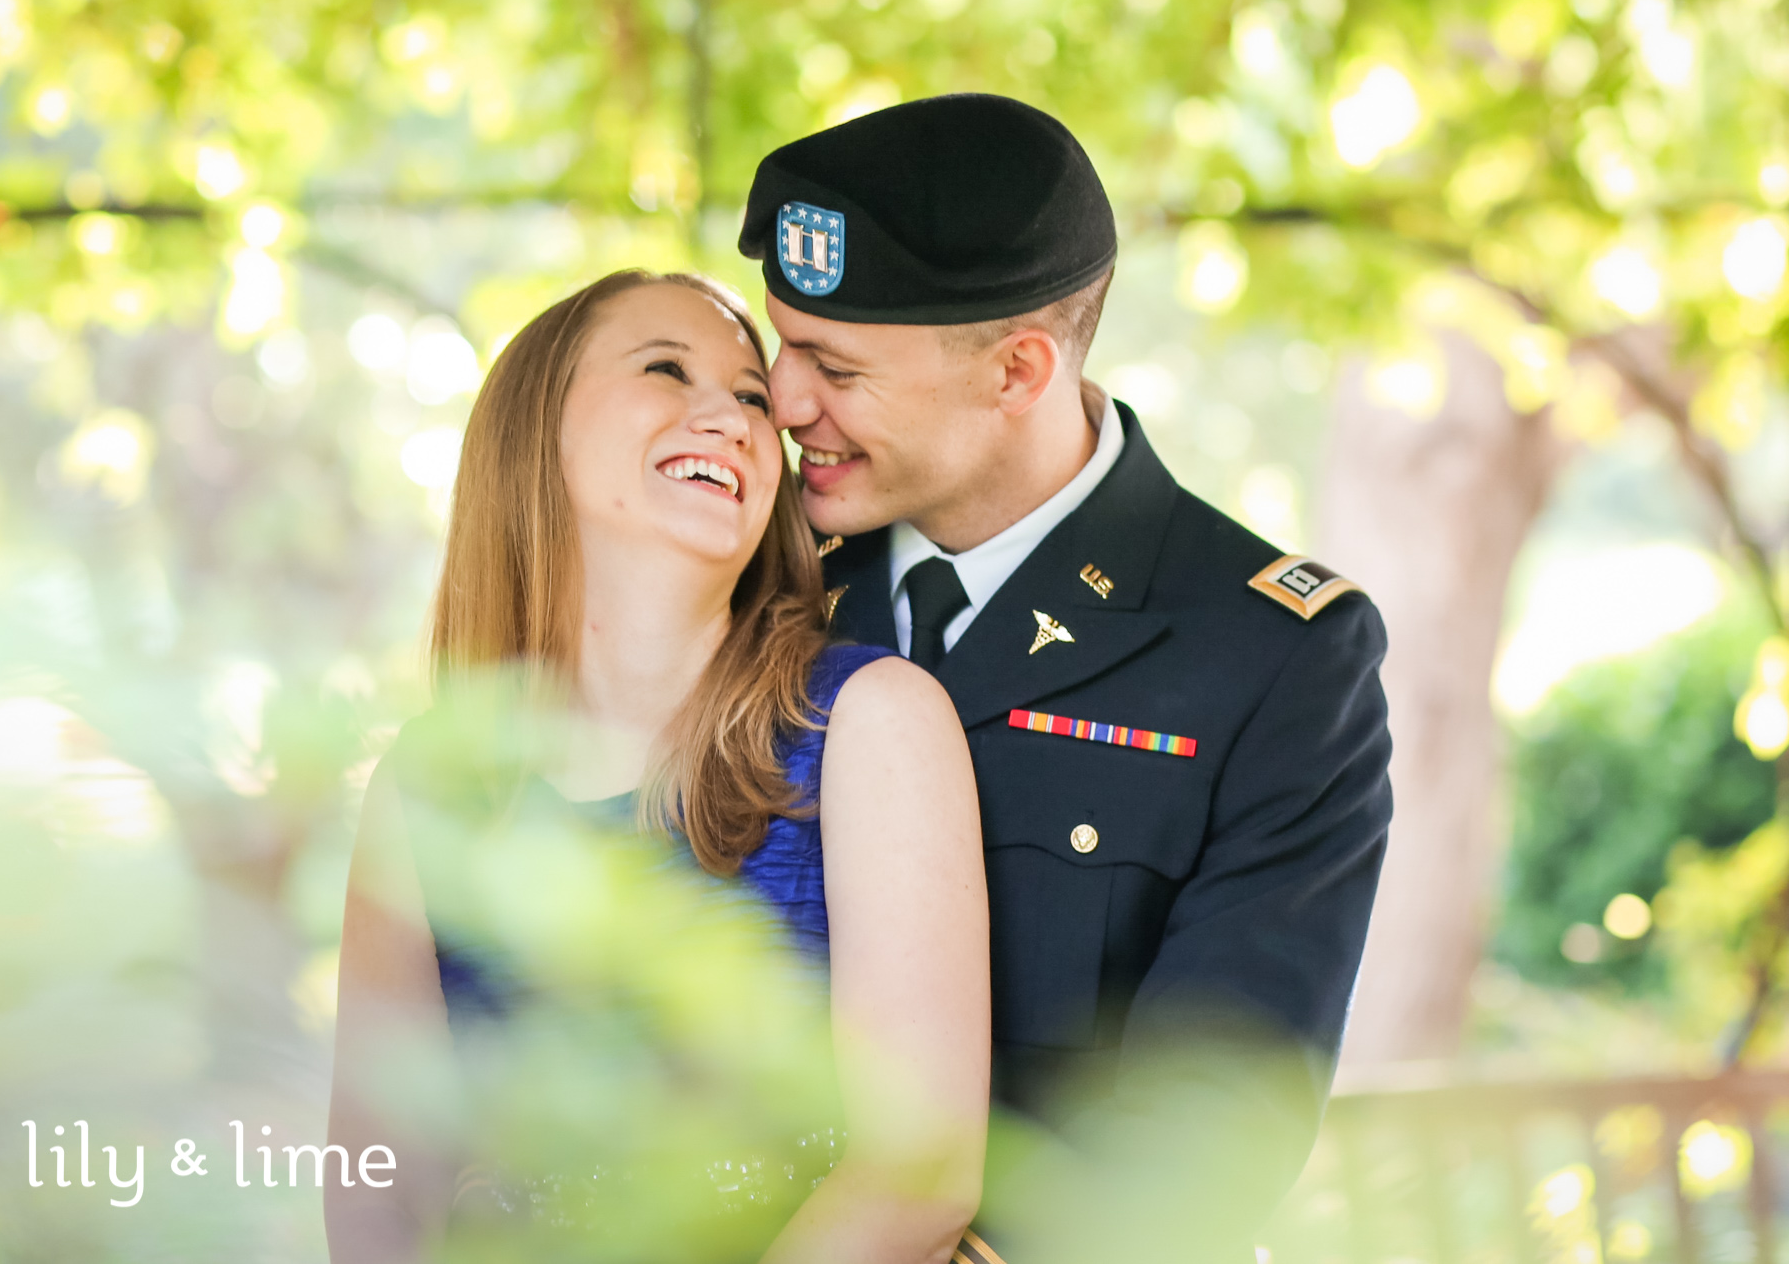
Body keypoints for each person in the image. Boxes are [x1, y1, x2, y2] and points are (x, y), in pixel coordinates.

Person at [739, 94, 1394, 1261]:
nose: (784, 402)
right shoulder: (760, 587)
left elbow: (1207, 1133)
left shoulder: (1272, 656)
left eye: (834, 364)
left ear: (1016, 369)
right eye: (782, 344)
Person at [324, 270, 992, 1264]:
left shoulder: (869, 721)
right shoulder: (428, 785)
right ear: (532, 429)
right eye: (666, 369)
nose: (728, 416)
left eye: (751, 399)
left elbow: (917, 1173)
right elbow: (380, 1189)